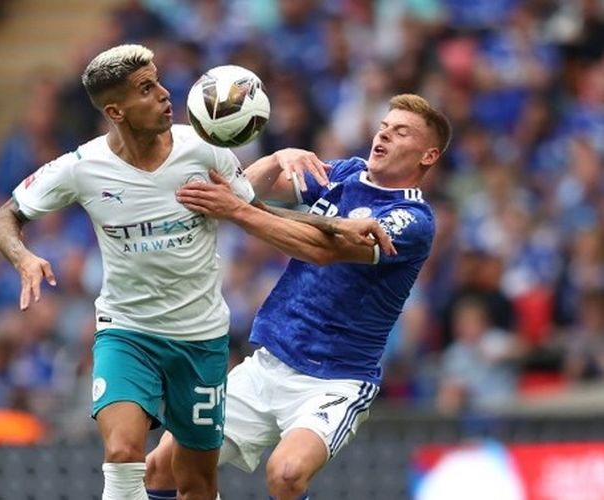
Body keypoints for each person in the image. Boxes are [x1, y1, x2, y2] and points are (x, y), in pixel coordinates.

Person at [0, 44, 392, 500]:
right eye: (147, 89)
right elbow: (4, 217)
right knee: (123, 454)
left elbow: (257, 212)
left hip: (199, 340)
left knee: (196, 483)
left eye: (159, 81)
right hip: (127, 331)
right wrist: (24, 257)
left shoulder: (203, 151)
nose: (164, 94)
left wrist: (336, 224)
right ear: (116, 111)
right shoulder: (81, 168)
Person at [145, 94, 452, 500]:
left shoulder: (413, 220)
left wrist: (239, 212)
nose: (384, 135)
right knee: (161, 466)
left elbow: (323, 250)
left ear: (427, 155)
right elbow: (239, 192)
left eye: (401, 132)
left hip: (334, 379)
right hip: (268, 363)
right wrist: (276, 159)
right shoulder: (345, 174)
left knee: (287, 474)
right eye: (384, 127)